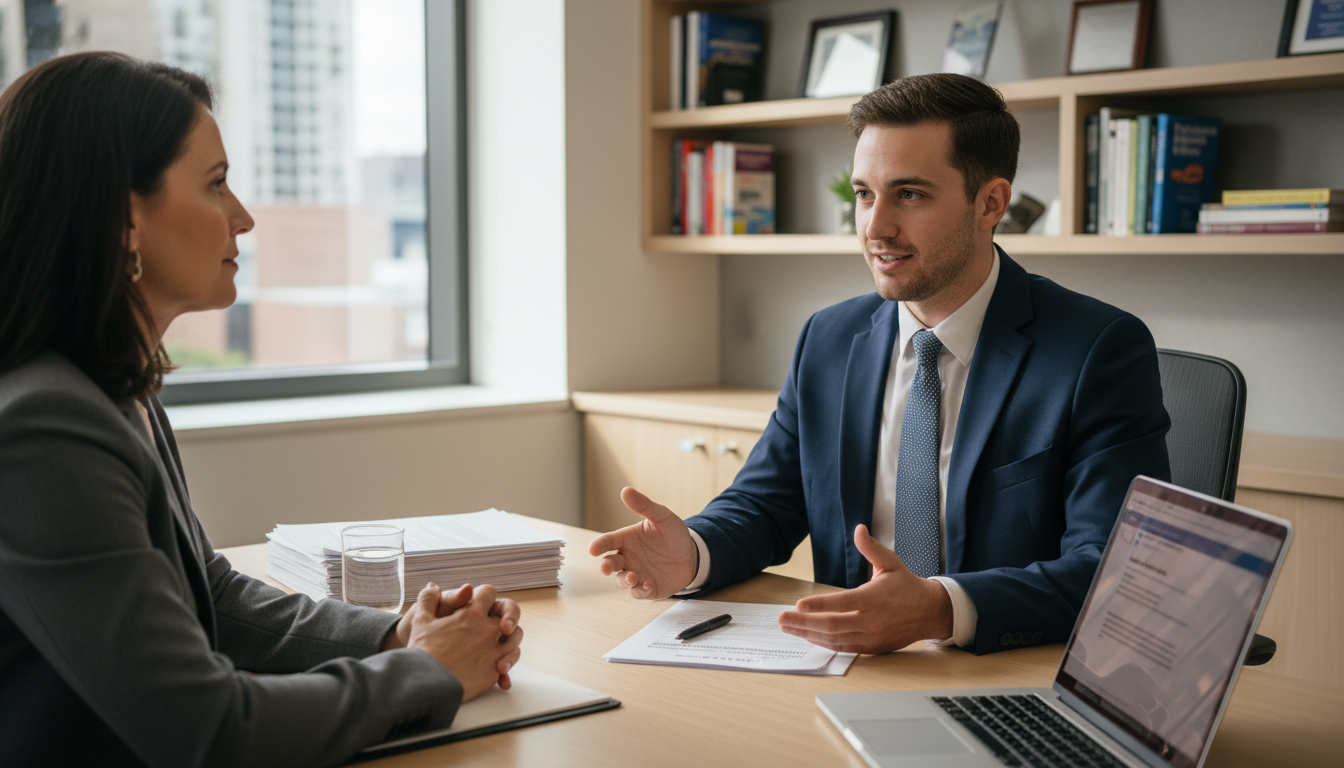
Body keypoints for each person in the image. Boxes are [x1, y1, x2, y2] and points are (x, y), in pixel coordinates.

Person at [0, 53, 522, 766]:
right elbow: (210, 731)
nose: (242, 217)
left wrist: (393, 635)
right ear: (125, 218)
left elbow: (208, 595)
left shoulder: (111, 387)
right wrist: (427, 670)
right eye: (215, 184)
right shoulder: (44, 428)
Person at [590, 73, 1171, 656]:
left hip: (1001, 669)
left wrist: (940, 608)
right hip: (845, 666)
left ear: (990, 203)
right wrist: (693, 553)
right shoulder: (828, 338)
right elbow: (766, 504)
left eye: (909, 195)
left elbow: (1113, 567)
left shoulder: (1096, 349)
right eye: (864, 194)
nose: (875, 227)